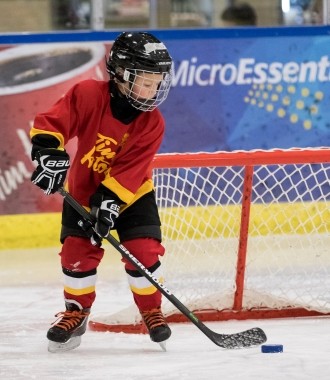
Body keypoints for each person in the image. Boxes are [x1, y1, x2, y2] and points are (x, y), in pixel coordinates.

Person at [29, 31, 173, 352]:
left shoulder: (153, 122)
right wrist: (49, 153)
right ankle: (75, 312)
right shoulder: (88, 94)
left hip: (132, 194)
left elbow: (131, 170)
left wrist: (108, 205)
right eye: (145, 81)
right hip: (83, 190)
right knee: (77, 257)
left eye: (157, 82)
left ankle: (151, 309)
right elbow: (52, 123)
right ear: (121, 74)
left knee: (143, 252)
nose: (153, 90)